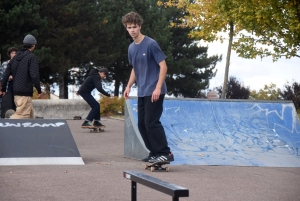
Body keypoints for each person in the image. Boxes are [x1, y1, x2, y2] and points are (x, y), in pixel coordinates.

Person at [122, 12, 174, 163]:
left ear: (140, 26)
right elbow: (135, 69)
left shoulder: (151, 44)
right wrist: (128, 86)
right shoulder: (131, 48)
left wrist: (158, 88)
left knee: (151, 122)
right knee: (142, 124)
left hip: (154, 89)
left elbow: (163, 66)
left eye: (134, 27)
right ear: (126, 28)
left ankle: (165, 153)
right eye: (129, 27)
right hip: (143, 91)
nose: (132, 30)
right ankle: (154, 152)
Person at [1, 34, 42, 119]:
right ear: (33, 46)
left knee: (30, 117)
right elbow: (34, 75)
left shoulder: (14, 58)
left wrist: (3, 89)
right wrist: (39, 90)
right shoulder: (31, 57)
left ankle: (31, 132)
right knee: (22, 116)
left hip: (16, 92)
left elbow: (5, 75)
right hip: (25, 92)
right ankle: (8, 121)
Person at [0, 47, 17, 118]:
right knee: (6, 106)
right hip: (6, 89)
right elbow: (1, 77)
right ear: (9, 54)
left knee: (15, 107)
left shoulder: (19, 64)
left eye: (15, 53)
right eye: (12, 53)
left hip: (17, 89)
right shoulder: (4, 64)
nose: (14, 54)